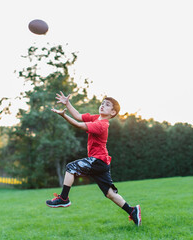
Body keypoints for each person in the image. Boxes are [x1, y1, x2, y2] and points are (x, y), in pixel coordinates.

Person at [46, 91, 142, 226]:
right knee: (110, 194)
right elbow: (79, 117)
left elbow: (79, 125)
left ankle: (64, 198)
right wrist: (67, 104)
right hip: (101, 163)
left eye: (107, 105)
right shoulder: (96, 118)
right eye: (102, 103)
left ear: (113, 113)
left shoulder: (102, 125)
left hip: (98, 160)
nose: (103, 106)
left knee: (70, 167)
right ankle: (132, 211)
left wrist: (64, 115)